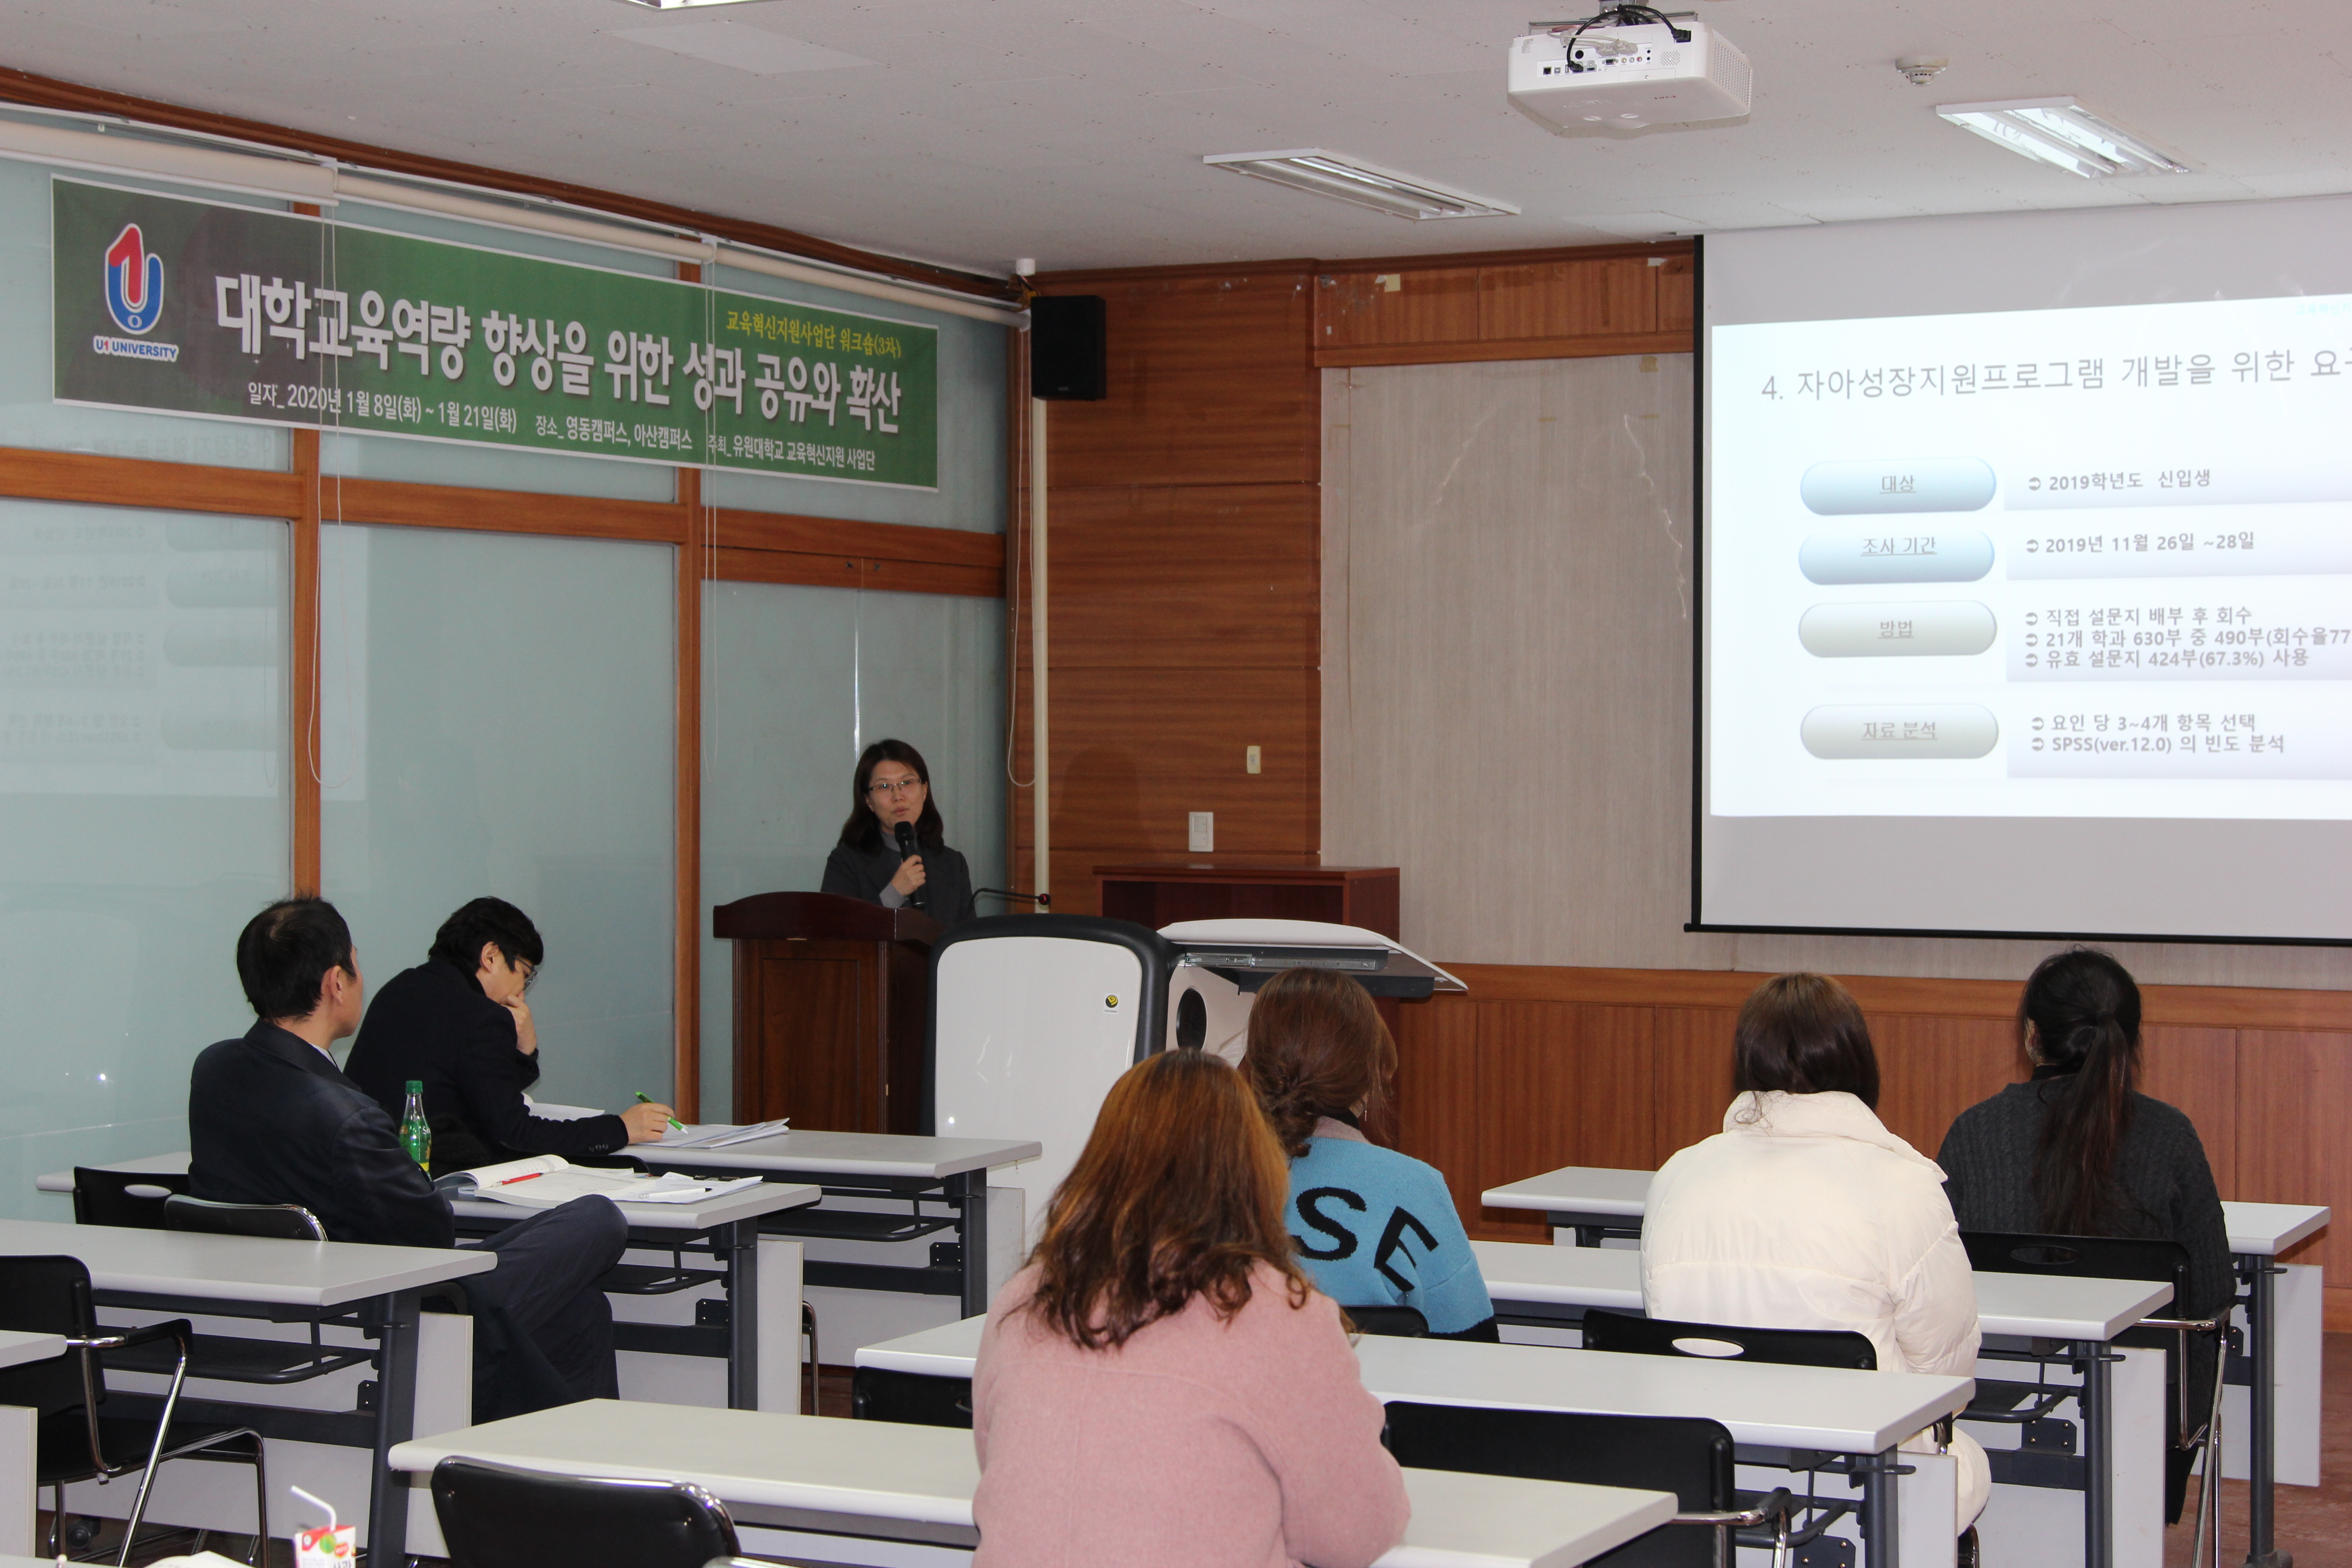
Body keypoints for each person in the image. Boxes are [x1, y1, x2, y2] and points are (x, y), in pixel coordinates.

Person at [189, 897, 628, 1417]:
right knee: (598, 1218)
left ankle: (579, 1469)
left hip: (281, 1292)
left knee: (580, 1311)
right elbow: (431, 1242)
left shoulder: (215, 1069)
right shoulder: (346, 1115)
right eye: (355, 965)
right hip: (388, 1307)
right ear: (335, 982)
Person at [970, 1048, 1408, 1568]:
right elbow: (1357, 1533)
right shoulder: (1279, 1314)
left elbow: (993, 1456)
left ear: (1103, 1161)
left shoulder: (1025, 1297)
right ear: (1254, 1167)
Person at [1641, 972, 1990, 1536]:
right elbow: (1946, 1377)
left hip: (1711, 1468)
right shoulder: (1904, 1185)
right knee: (1966, 1456)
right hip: (1864, 1473)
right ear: (1858, 1062)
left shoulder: (1677, 1175)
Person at [1939, 946, 2230, 1524]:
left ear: (2030, 1037)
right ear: (2130, 1040)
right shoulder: (2170, 1138)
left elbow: (1936, 1287)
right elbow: (2213, 1298)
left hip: (1988, 1411)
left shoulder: (1974, 1134)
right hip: (2148, 1420)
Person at [1240, 967, 1495, 1338]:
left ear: (1254, 1066)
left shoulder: (1210, 1182)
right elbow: (1474, 1343)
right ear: (1370, 1075)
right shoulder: (1415, 1186)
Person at [343, 897, 674, 1177]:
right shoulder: (480, 1015)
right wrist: (620, 1129)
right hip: (444, 1178)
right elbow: (515, 1133)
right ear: (490, 956)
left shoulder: (398, 989)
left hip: (375, 1170)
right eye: (525, 976)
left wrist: (524, 1051)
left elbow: (477, 1090)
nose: (521, 992)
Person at [819, 739, 976, 925]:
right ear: (869, 801)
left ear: (924, 790)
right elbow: (835, 933)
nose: (898, 796)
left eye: (907, 783)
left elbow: (965, 940)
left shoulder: (952, 864)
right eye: (884, 787)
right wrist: (894, 893)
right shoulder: (846, 863)